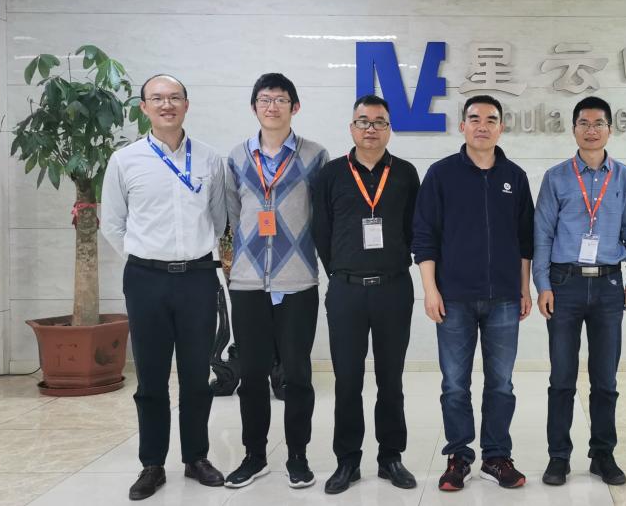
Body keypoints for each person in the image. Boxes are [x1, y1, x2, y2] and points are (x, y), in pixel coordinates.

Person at [101, 74, 227, 500]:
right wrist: (146, 257)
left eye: (174, 98)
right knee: (151, 378)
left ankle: (196, 458)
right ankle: (152, 464)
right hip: (146, 280)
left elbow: (219, 219)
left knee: (196, 376)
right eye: (157, 98)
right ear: (144, 107)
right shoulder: (125, 160)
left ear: (187, 104)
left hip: (197, 277)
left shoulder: (209, 159)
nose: (166, 105)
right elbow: (113, 223)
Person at [412, 94, 535, 491]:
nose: (483, 125)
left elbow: (525, 240)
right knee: (454, 383)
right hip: (454, 298)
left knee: (501, 383)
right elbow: (424, 237)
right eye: (475, 118)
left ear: (501, 127)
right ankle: (458, 457)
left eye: (491, 119)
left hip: (504, 298)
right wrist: (430, 290)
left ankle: (496, 457)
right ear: (462, 125)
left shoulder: (515, 177)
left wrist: (524, 288)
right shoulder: (441, 174)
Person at [222, 73, 330, 490]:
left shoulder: (316, 156)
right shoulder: (236, 157)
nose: (272, 106)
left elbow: (322, 215)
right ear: (254, 107)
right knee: (252, 374)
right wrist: (235, 264)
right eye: (265, 100)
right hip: (248, 282)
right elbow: (232, 216)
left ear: (295, 107)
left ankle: (298, 456)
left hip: (298, 280)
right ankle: (254, 456)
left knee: (297, 374)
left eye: (281, 100)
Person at [310, 95, 420, 494]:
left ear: (389, 129)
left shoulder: (405, 173)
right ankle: (348, 460)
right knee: (347, 380)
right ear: (351, 127)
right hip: (347, 291)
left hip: (394, 288)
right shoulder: (331, 174)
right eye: (363, 121)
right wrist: (342, 271)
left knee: (391, 379)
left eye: (379, 122)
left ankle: (391, 457)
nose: (371, 128)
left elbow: (414, 228)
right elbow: (321, 231)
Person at [532, 96, 626, 487]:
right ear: (574, 129)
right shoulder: (556, 177)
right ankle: (558, 457)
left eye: (598, 123)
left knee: (605, 378)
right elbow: (542, 235)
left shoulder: (625, 178)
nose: (591, 130)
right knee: (562, 377)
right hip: (565, 284)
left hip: (610, 285)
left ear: (610, 129)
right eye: (584, 123)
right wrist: (543, 285)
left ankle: (603, 454)